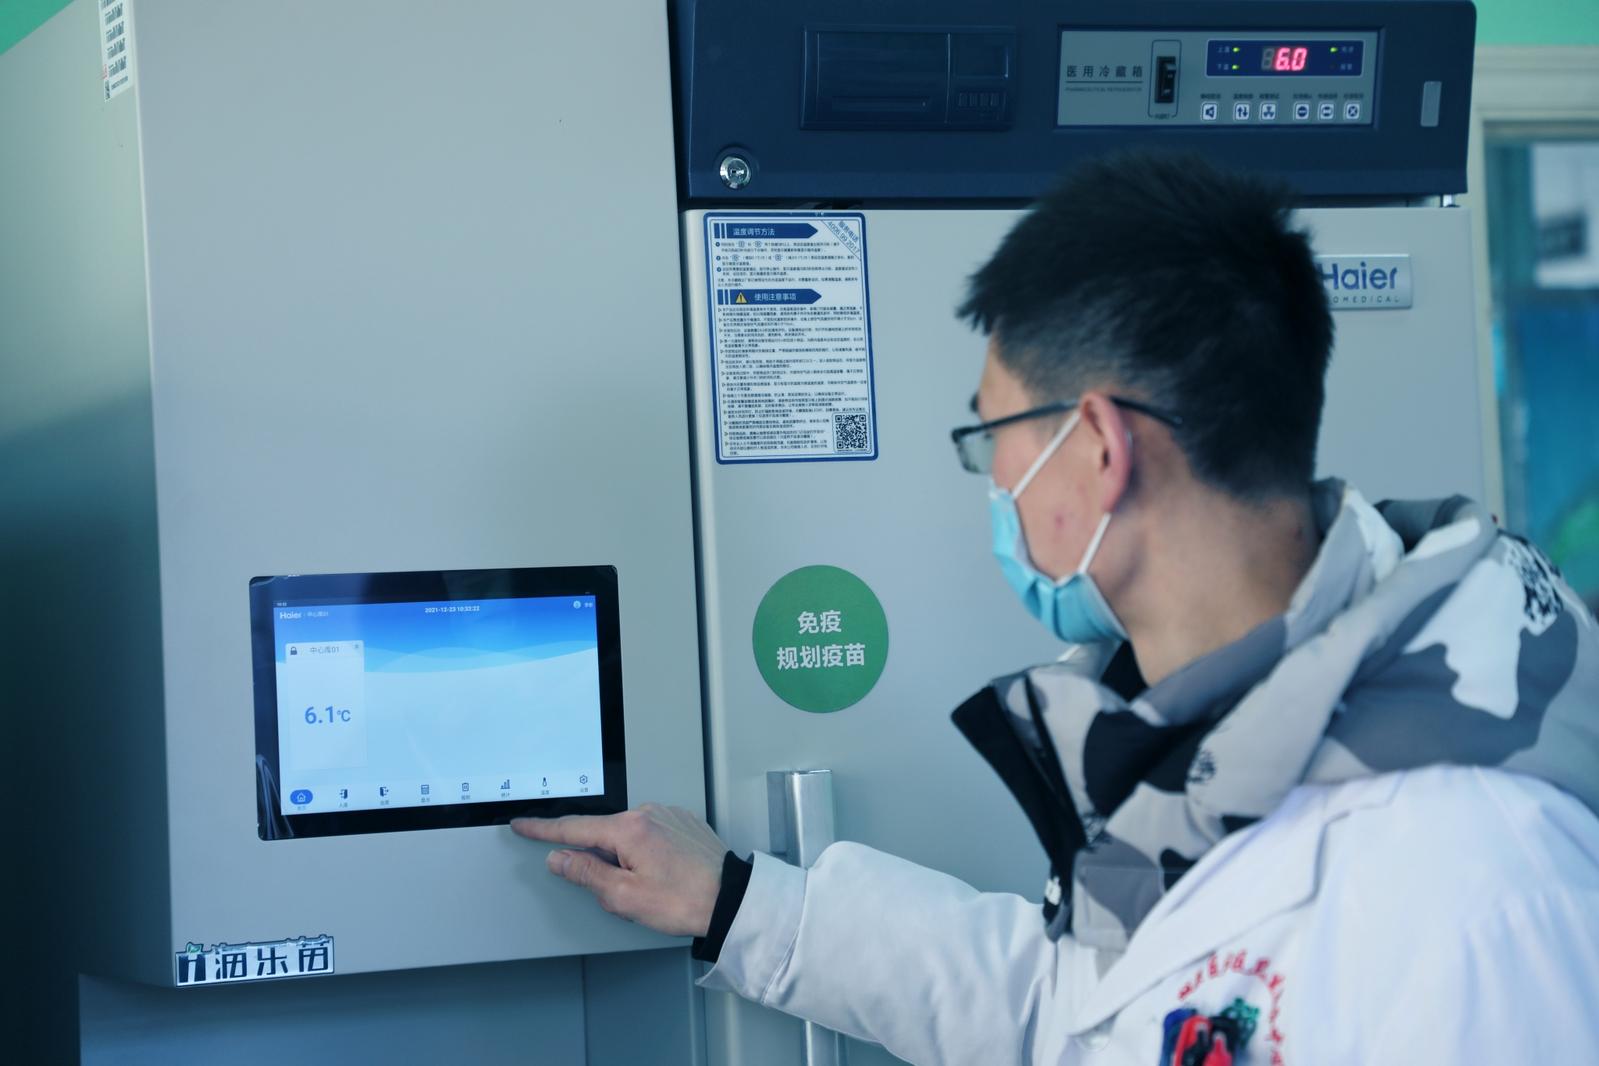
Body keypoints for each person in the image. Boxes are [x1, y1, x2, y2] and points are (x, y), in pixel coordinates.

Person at [513, 152, 1599, 1064]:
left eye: (994, 439)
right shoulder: (1217, 733)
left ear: (1097, 449)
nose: (993, 483)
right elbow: (1088, 1016)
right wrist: (743, 904)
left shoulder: (1476, 890)